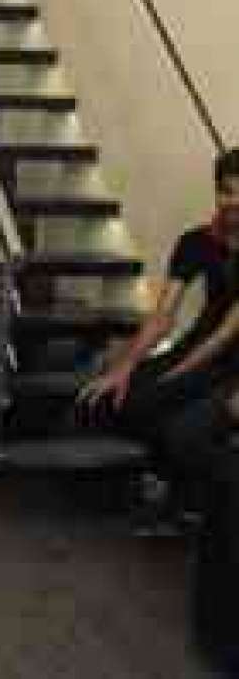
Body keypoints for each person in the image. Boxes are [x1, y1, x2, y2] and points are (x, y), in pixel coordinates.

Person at [80, 149, 239, 495]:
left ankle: (179, 494)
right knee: (103, 402)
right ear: (216, 192)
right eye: (227, 191)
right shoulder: (195, 242)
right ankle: (148, 483)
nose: (234, 202)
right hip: (196, 350)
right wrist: (124, 368)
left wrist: (173, 376)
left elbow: (226, 335)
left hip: (227, 364)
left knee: (171, 420)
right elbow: (163, 317)